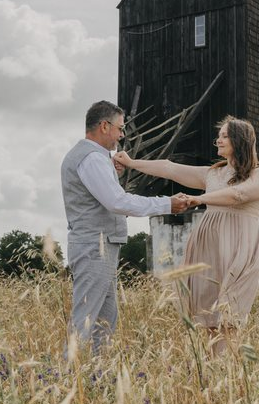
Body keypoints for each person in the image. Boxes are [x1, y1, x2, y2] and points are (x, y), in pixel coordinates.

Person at [113, 116, 259, 354]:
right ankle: (213, 371)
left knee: (230, 317)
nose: (218, 140)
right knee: (210, 317)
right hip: (209, 245)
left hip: (239, 246)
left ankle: (228, 370)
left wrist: (199, 198)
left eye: (224, 135)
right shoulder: (212, 174)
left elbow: (238, 195)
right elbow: (169, 168)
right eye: (219, 135)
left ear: (240, 141)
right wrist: (132, 162)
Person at [61, 100, 189, 353]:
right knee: (85, 318)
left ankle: (101, 377)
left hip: (101, 246)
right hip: (94, 247)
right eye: (120, 129)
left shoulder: (95, 159)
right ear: (104, 126)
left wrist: (113, 174)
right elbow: (116, 201)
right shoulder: (92, 159)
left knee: (106, 320)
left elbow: (102, 195)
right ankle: (64, 380)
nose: (122, 135)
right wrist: (166, 204)